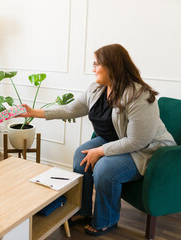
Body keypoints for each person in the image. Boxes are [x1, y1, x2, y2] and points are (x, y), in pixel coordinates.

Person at [19, 44, 176, 236]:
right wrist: (34, 112)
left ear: (112, 66)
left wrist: (101, 151)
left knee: (105, 169)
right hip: (115, 140)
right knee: (80, 155)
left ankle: (107, 221)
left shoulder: (138, 95)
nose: (93, 69)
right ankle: (82, 210)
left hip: (147, 149)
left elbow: (137, 141)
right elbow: (70, 110)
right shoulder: (96, 89)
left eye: (96, 64)